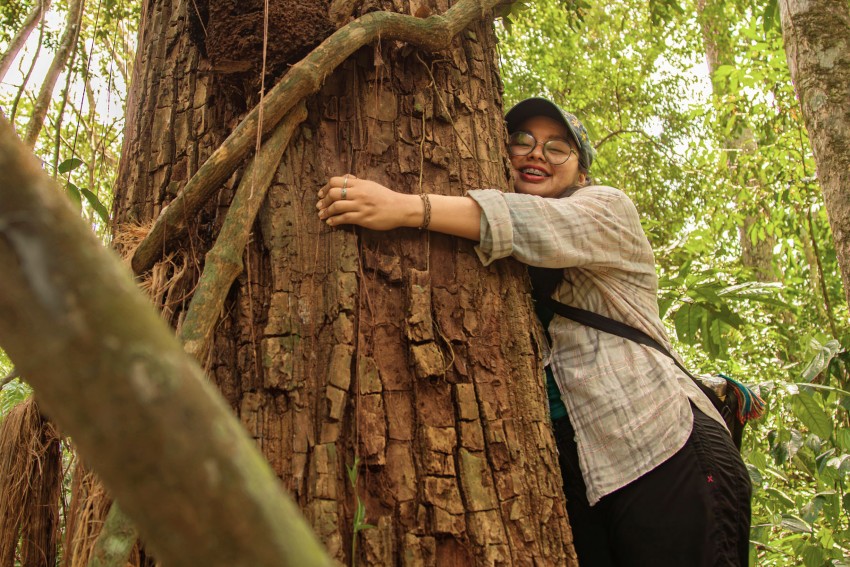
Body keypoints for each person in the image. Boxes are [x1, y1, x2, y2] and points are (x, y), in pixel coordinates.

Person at [316, 97, 752, 566]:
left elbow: (538, 225)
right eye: (522, 141)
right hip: (584, 473)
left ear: (581, 173)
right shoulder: (514, 263)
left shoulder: (606, 206)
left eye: (557, 147)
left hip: (662, 447)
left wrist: (404, 207)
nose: (536, 153)